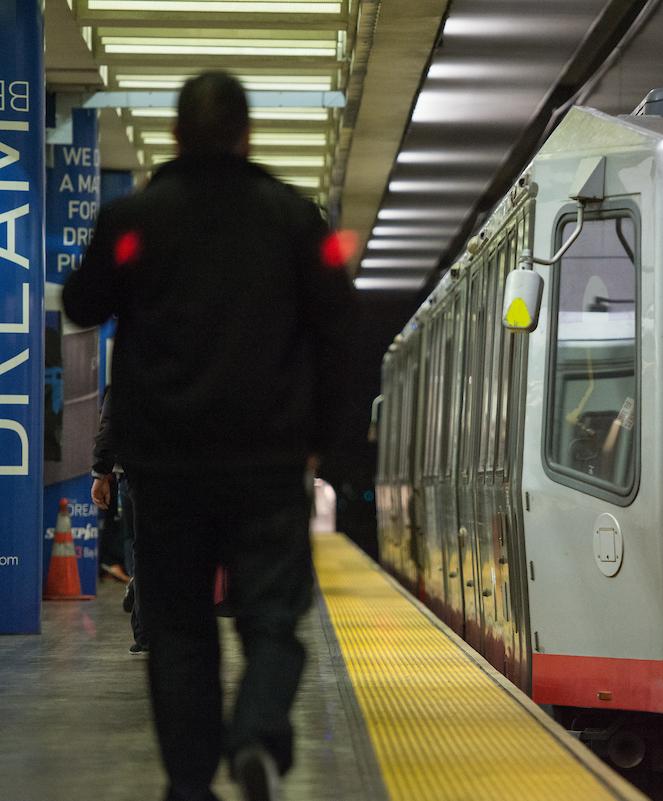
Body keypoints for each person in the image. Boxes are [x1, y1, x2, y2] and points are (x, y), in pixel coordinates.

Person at [63, 71, 356, 801]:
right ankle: (255, 736)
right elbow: (341, 332)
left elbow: (81, 300)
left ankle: (190, 782)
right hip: (267, 462)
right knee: (271, 618)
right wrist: (323, 440)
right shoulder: (294, 219)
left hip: (166, 469)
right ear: (246, 134)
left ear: (174, 135)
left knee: (181, 629)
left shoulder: (135, 219)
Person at [91, 386, 148, 654]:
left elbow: (112, 420)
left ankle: (147, 632)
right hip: (188, 471)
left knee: (146, 548)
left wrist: (101, 472)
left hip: (139, 470)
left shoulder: (135, 355)